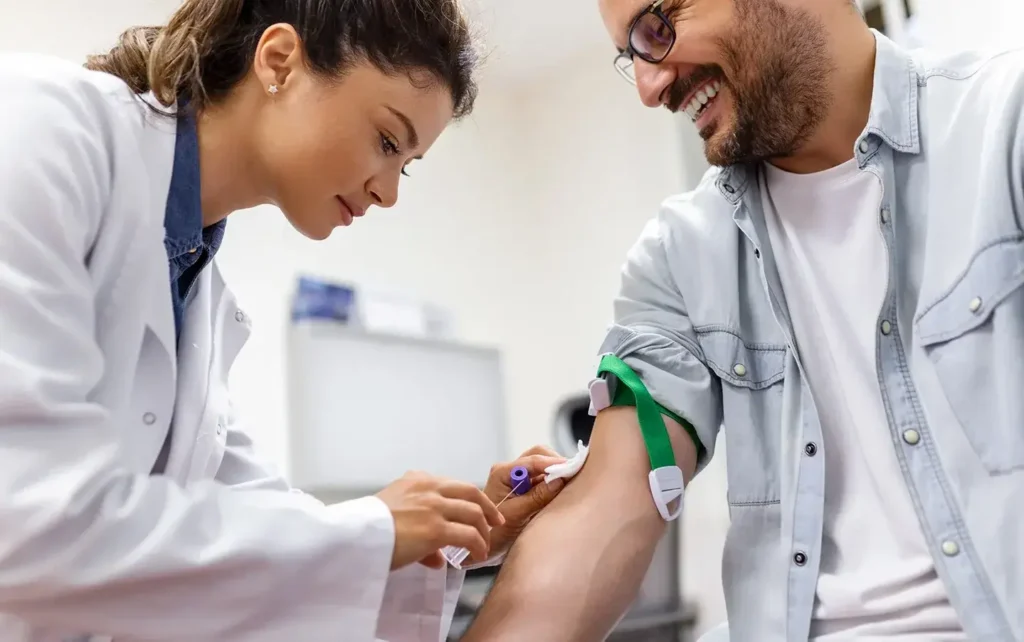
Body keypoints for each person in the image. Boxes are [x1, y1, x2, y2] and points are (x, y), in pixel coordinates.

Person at [0, 0, 568, 640]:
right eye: (386, 141)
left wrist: (463, 531)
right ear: (279, 63)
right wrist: (380, 528)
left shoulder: (199, 292)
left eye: (404, 164)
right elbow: (26, 521)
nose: (389, 192)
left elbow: (254, 527)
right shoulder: (41, 127)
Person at [462, 0, 1024, 640]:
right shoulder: (679, 256)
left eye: (657, 28)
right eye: (631, 56)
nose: (649, 88)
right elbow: (603, 508)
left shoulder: (1004, 127)